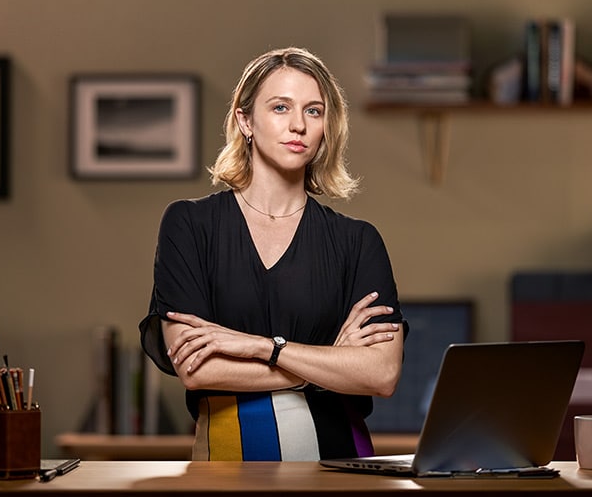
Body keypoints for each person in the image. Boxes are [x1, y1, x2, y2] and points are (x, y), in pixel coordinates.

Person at [139, 46, 406, 461]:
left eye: (314, 111)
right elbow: (196, 369)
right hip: (230, 466)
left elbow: (382, 374)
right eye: (280, 107)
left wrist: (263, 347)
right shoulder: (190, 226)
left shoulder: (358, 241)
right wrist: (328, 369)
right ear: (245, 120)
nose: (298, 125)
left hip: (343, 470)